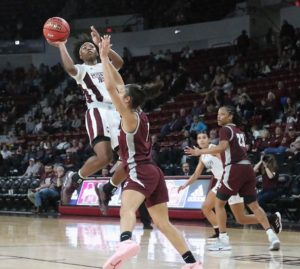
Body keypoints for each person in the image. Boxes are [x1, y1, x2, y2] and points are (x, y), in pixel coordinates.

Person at [99, 35, 202, 269]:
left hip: (139, 170)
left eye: (122, 93)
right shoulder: (139, 112)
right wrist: (107, 61)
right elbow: (118, 82)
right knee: (163, 223)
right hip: (154, 171)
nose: (118, 92)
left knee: (127, 208)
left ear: (126, 100)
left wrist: (104, 57)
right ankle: (193, 263)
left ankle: (126, 241)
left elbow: (109, 85)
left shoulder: (127, 116)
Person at [184, 106, 280, 251]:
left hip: (234, 169)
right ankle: (272, 235)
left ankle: (223, 240)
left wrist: (200, 151)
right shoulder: (239, 131)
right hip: (247, 169)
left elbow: (221, 148)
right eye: (218, 114)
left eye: (222, 114)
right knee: (247, 212)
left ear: (230, 116)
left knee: (219, 204)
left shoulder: (225, 130)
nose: (219, 117)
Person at [47, 26, 124, 198]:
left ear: (96, 51)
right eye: (84, 48)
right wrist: (61, 46)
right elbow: (69, 68)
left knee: (130, 159)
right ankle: (75, 179)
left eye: (90, 46)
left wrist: (104, 47)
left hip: (117, 113)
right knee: (104, 157)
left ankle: (108, 189)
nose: (88, 48)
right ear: (80, 56)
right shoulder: (81, 69)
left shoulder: (106, 65)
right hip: (97, 110)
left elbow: (119, 63)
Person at [178, 132, 282, 239]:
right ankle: (269, 219)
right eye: (199, 138)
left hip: (230, 180)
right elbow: (196, 174)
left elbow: (225, 159)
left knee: (234, 215)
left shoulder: (213, 148)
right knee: (235, 217)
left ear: (209, 139)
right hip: (221, 181)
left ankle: (222, 234)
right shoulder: (203, 156)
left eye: (204, 137)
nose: (202, 140)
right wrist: (185, 184)